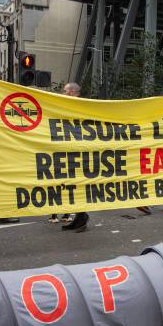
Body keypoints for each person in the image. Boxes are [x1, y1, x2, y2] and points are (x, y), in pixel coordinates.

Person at [60, 82, 89, 232]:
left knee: (79, 185)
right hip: (71, 150)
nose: (63, 93)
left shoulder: (80, 104)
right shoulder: (69, 104)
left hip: (80, 151)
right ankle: (79, 216)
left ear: (72, 92)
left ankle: (82, 217)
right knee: (73, 186)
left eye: (65, 91)